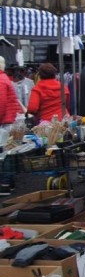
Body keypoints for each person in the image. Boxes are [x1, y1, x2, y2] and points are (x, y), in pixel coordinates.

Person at [0, 56, 22, 195]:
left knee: (5, 153)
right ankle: (8, 182)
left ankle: (5, 183)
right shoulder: (4, 78)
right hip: (8, 120)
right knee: (8, 152)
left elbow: (1, 105)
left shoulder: (1, 80)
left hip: (4, 122)